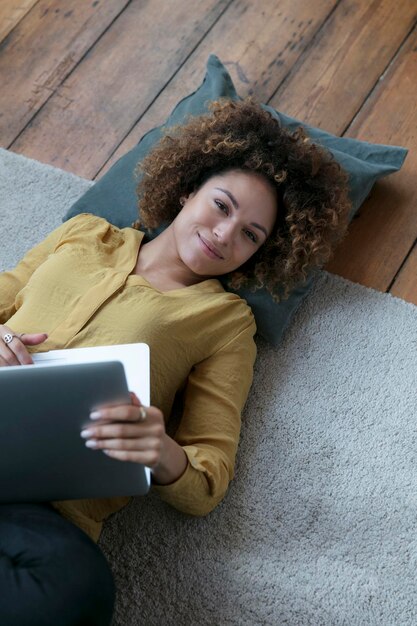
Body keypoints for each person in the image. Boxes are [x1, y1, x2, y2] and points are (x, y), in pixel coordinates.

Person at [0, 99, 351, 624]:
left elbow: (209, 475)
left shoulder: (227, 323)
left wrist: (160, 452)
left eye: (252, 235)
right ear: (188, 189)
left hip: (45, 506)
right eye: (222, 205)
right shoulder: (84, 234)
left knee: (77, 589)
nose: (226, 235)